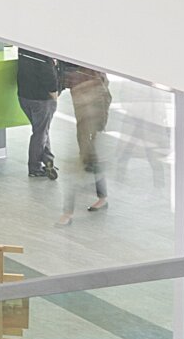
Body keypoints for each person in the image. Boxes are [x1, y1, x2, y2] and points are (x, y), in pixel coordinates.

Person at [59, 65, 113, 223]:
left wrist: (98, 130)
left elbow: (105, 103)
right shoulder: (77, 78)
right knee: (90, 167)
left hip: (91, 134)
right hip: (83, 132)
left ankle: (68, 213)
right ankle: (101, 198)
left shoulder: (95, 82)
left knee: (76, 172)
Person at [14, 49, 61, 183]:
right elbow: (50, 78)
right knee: (40, 133)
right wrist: (54, 96)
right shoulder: (43, 55)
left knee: (41, 130)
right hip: (41, 100)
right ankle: (34, 167)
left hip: (24, 96)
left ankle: (48, 160)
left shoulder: (23, 50)